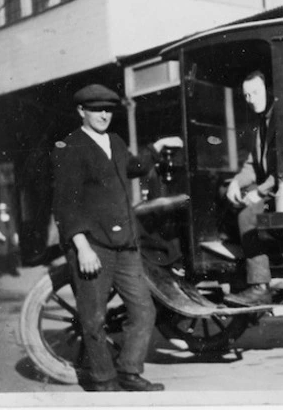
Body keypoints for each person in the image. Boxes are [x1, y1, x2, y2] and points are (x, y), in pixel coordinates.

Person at [51, 84, 182, 392]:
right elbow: (65, 205)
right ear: (81, 112)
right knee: (94, 319)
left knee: (144, 310)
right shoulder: (70, 147)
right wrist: (81, 247)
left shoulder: (116, 141)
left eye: (108, 109)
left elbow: (132, 167)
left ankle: (129, 371)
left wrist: (157, 147)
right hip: (93, 246)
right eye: (96, 109)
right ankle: (103, 381)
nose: (103, 115)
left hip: (125, 245)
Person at [222, 70, 276, 307]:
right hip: (274, 188)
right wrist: (236, 182)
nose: (251, 98)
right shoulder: (262, 122)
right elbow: (253, 165)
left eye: (256, 92)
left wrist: (260, 191)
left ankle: (260, 285)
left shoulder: (279, 119)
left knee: (248, 212)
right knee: (232, 199)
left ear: (267, 90)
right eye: (247, 95)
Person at [0, 202, 19, 276]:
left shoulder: (10, 218)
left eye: (4, 209)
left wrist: (15, 236)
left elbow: (14, 228)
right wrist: (0, 236)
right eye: (1, 210)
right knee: (1, 255)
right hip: (2, 240)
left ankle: (13, 270)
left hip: (10, 239)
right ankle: (0, 271)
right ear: (0, 211)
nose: (3, 211)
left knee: (12, 254)